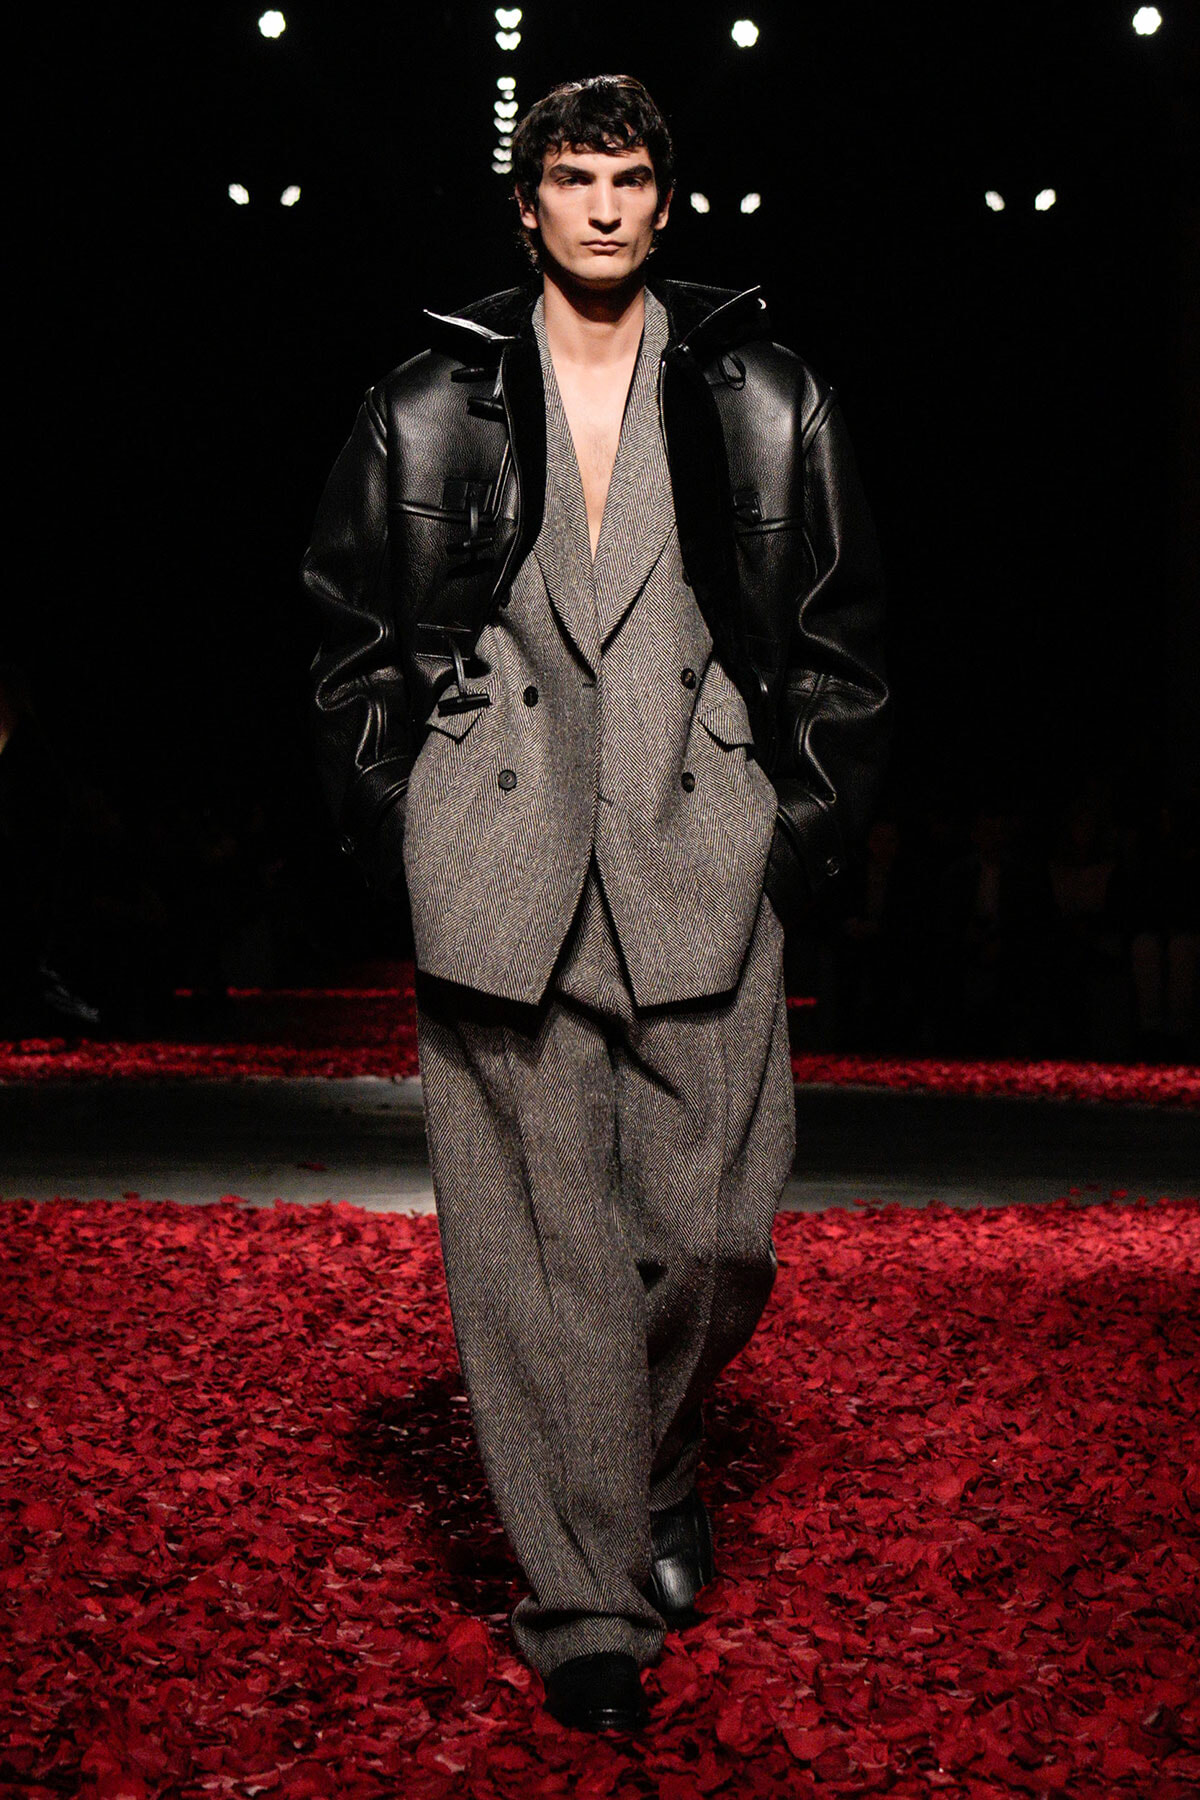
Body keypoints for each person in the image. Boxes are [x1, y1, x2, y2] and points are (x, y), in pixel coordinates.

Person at [301, 74, 890, 1734]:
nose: (607, 208)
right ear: (528, 203)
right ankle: (586, 1612)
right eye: (575, 180)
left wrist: (796, 833)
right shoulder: (430, 399)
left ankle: (645, 1461)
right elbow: (350, 627)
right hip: (500, 860)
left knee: (710, 1241)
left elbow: (842, 635)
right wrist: (407, 822)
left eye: (632, 179)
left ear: (669, 198)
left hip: (703, 851)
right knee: (537, 1260)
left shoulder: (763, 393)